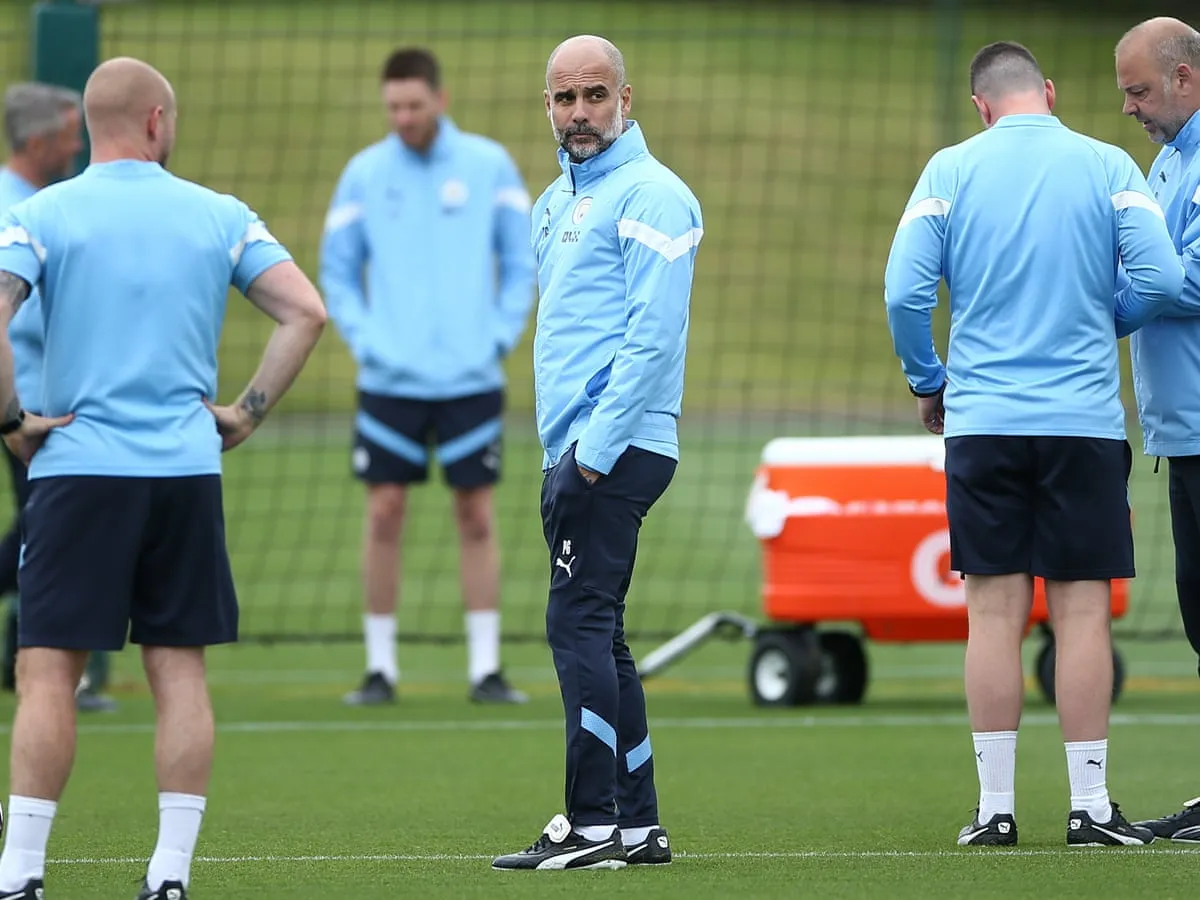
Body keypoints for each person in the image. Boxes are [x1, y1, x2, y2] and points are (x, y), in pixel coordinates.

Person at [0, 57, 326, 899]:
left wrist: (9, 420)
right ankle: (169, 876)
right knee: (178, 671)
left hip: (78, 471)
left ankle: (20, 874)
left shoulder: (42, 213)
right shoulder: (220, 215)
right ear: (156, 122)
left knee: (47, 673)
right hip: (186, 468)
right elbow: (305, 312)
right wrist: (245, 412)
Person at [883, 41, 1182, 848]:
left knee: (992, 612)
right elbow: (1156, 279)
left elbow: (904, 290)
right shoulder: (1110, 164)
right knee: (1082, 611)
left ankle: (994, 811)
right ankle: (1090, 808)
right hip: (1081, 421)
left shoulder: (949, 170)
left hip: (982, 421)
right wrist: (1102, 320)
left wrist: (927, 380)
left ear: (982, 106)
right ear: (1048, 93)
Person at [490, 34, 702, 871]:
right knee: (602, 634)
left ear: (625, 98)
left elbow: (654, 338)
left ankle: (590, 825)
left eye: (594, 96)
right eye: (564, 99)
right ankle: (638, 823)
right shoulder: (554, 204)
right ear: (547, 106)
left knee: (575, 625)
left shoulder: (655, 196)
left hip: (612, 450)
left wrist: (592, 453)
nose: (579, 113)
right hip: (576, 451)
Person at [320, 47, 536, 706]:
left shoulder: (488, 165)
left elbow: (522, 256)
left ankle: (485, 668)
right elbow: (336, 269)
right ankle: (381, 669)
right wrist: (365, 339)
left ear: (440, 99)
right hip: (390, 381)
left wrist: (498, 335)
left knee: (476, 513)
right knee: (384, 513)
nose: (403, 117)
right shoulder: (364, 173)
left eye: (414, 105)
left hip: (472, 377)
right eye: (393, 107)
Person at [0, 82, 118, 713]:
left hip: (34, 401)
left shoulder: (35, 203)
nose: (78, 145)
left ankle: (23, 662)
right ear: (40, 140)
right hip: (30, 406)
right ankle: (50, 675)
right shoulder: (19, 212)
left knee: (40, 529)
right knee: (52, 536)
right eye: (71, 133)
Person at [1115, 16, 1200, 842]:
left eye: (1140, 90)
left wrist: (1089, 309)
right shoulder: (1168, 159)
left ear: (1183, 77)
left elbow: (1189, 280)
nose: (1131, 108)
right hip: (1182, 431)